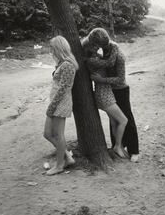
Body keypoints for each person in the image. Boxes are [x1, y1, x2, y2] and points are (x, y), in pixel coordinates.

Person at [86, 28, 140, 162]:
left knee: (127, 119)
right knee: (114, 121)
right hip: (109, 89)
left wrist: (102, 80)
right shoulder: (105, 49)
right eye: (97, 46)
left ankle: (134, 150)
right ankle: (118, 146)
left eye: (99, 46)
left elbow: (120, 79)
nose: (98, 48)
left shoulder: (118, 54)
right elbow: (105, 63)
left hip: (120, 89)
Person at [43, 36, 78, 176]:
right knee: (47, 134)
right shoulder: (62, 63)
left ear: (59, 48)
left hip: (61, 103)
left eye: (53, 48)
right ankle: (68, 157)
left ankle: (59, 165)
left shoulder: (68, 65)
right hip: (55, 103)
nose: (51, 51)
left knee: (58, 135)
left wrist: (51, 106)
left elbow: (63, 88)